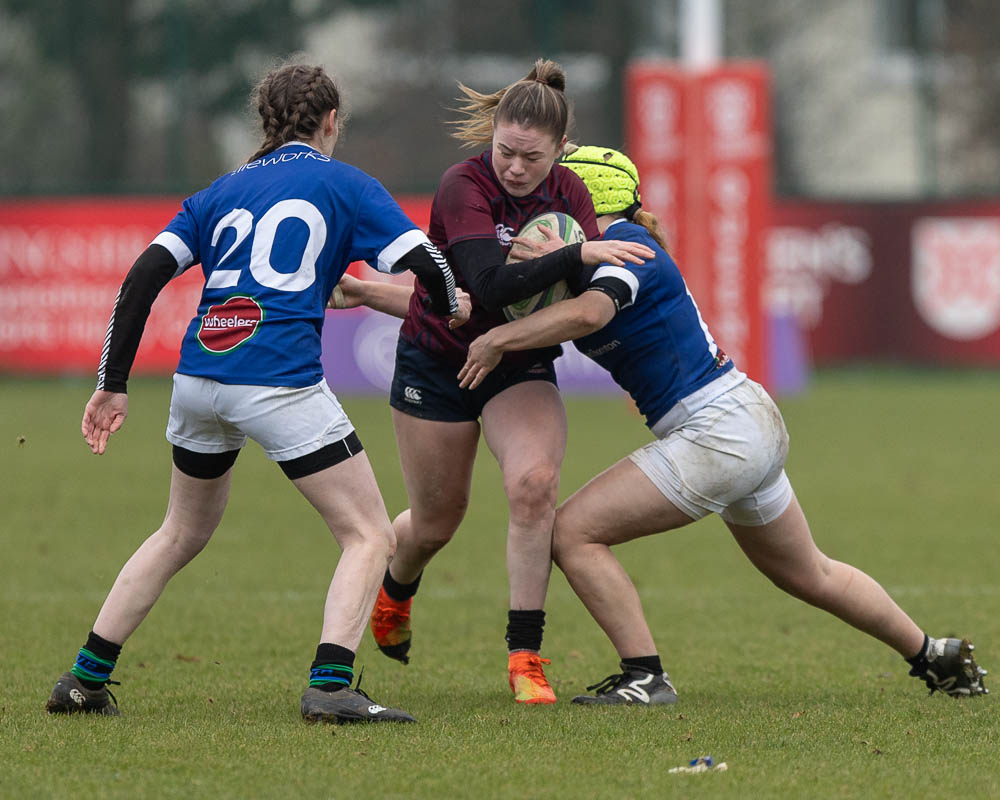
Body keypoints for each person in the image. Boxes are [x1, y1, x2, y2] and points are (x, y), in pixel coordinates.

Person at [458, 145, 989, 704]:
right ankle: (933, 653)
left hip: (718, 431)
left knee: (571, 533)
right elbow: (510, 298)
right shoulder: (592, 256)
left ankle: (645, 676)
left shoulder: (629, 246)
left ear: (582, 199)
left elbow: (591, 313)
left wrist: (498, 339)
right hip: (739, 421)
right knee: (809, 572)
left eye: (556, 192)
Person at [44, 63, 472, 724]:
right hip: (277, 379)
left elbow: (142, 277)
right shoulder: (347, 184)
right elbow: (426, 261)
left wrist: (113, 384)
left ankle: (84, 679)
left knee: (179, 531)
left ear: (265, 121)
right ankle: (331, 686)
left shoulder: (218, 192)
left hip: (199, 377)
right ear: (331, 121)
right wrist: (452, 305)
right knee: (367, 534)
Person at [366, 60, 655, 704]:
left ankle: (525, 656)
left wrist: (586, 271)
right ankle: (396, 588)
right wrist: (575, 253)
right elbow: (488, 287)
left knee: (534, 486)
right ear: (492, 137)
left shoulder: (570, 194)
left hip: (518, 363)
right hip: (438, 362)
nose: (516, 168)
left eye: (532, 157)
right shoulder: (462, 185)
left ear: (560, 150)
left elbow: (582, 296)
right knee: (437, 522)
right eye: (506, 151)